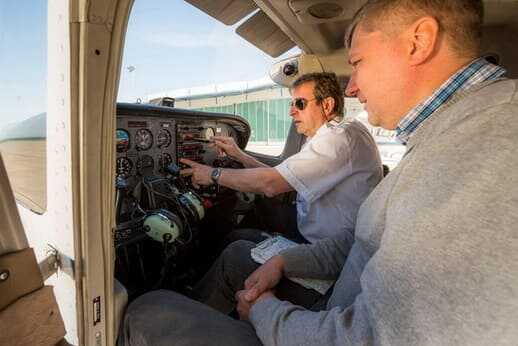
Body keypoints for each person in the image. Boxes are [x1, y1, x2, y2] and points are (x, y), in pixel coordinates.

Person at [119, 0, 518, 345]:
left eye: (358, 62)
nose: (354, 87)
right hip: (341, 293)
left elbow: (274, 184)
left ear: (419, 42)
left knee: (148, 308)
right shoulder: (449, 135)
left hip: (332, 314)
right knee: (241, 245)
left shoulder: (491, 142)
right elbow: (363, 240)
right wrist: (286, 262)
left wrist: (264, 313)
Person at [180, 72, 383, 244]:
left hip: (323, 243)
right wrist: (239, 155)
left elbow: (270, 184)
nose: (291, 111)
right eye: (292, 103)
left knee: (236, 241)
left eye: (300, 104)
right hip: (312, 224)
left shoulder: (336, 139)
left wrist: (213, 174)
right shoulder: (333, 133)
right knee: (258, 205)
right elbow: (281, 176)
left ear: (327, 105)